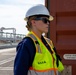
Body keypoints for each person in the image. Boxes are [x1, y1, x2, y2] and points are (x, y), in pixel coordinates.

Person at [14, 4, 64, 75]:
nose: (48, 23)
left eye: (48, 21)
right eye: (45, 20)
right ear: (33, 22)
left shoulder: (48, 42)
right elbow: (19, 72)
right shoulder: (27, 44)